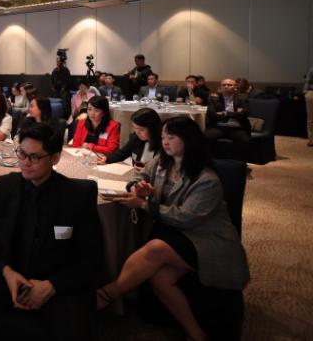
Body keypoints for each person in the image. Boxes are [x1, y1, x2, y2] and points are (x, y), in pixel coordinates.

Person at [97, 117, 249, 341]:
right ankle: (196, 333)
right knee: (160, 278)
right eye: (163, 137)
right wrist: (137, 186)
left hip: (207, 239)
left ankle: (106, 294)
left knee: (155, 248)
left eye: (172, 137)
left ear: (189, 139)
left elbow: (186, 218)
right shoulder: (162, 162)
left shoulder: (207, 179)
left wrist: (143, 204)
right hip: (175, 232)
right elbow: (139, 174)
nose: (165, 142)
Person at [0, 123, 102, 340]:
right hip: (8, 274)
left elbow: (91, 258)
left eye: (35, 157)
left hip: (56, 282)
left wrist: (51, 286)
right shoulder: (3, 186)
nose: (25, 163)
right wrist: (7, 271)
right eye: (21, 154)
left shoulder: (77, 196)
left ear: (55, 158)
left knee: (74, 331)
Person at [205, 79, 251, 161]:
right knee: (205, 138)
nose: (226, 86)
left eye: (229, 85)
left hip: (237, 127)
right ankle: (209, 162)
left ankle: (240, 163)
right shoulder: (213, 98)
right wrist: (235, 114)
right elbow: (211, 114)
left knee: (245, 140)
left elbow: (244, 114)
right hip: (218, 127)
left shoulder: (242, 98)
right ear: (220, 87)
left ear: (235, 87)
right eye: (224, 85)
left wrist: (225, 113)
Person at [306, 66, 313, 147]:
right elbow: (308, 81)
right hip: (311, 93)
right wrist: (306, 92)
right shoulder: (312, 68)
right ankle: (311, 139)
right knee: (310, 118)